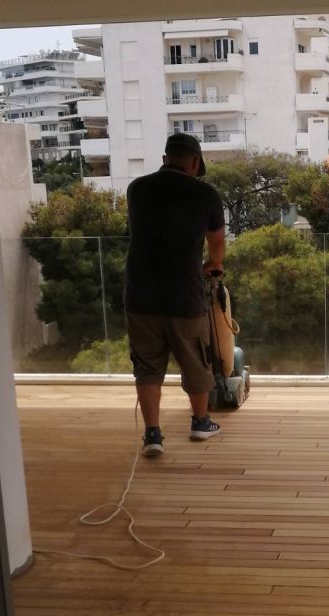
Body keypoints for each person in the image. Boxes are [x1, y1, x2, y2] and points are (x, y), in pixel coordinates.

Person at [124, 132, 226, 458]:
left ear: (166, 156)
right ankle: (201, 422)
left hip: (140, 294)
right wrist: (214, 264)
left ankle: (152, 435)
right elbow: (217, 243)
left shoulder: (136, 189)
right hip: (184, 294)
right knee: (195, 359)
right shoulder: (205, 194)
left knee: (147, 366)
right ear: (194, 162)